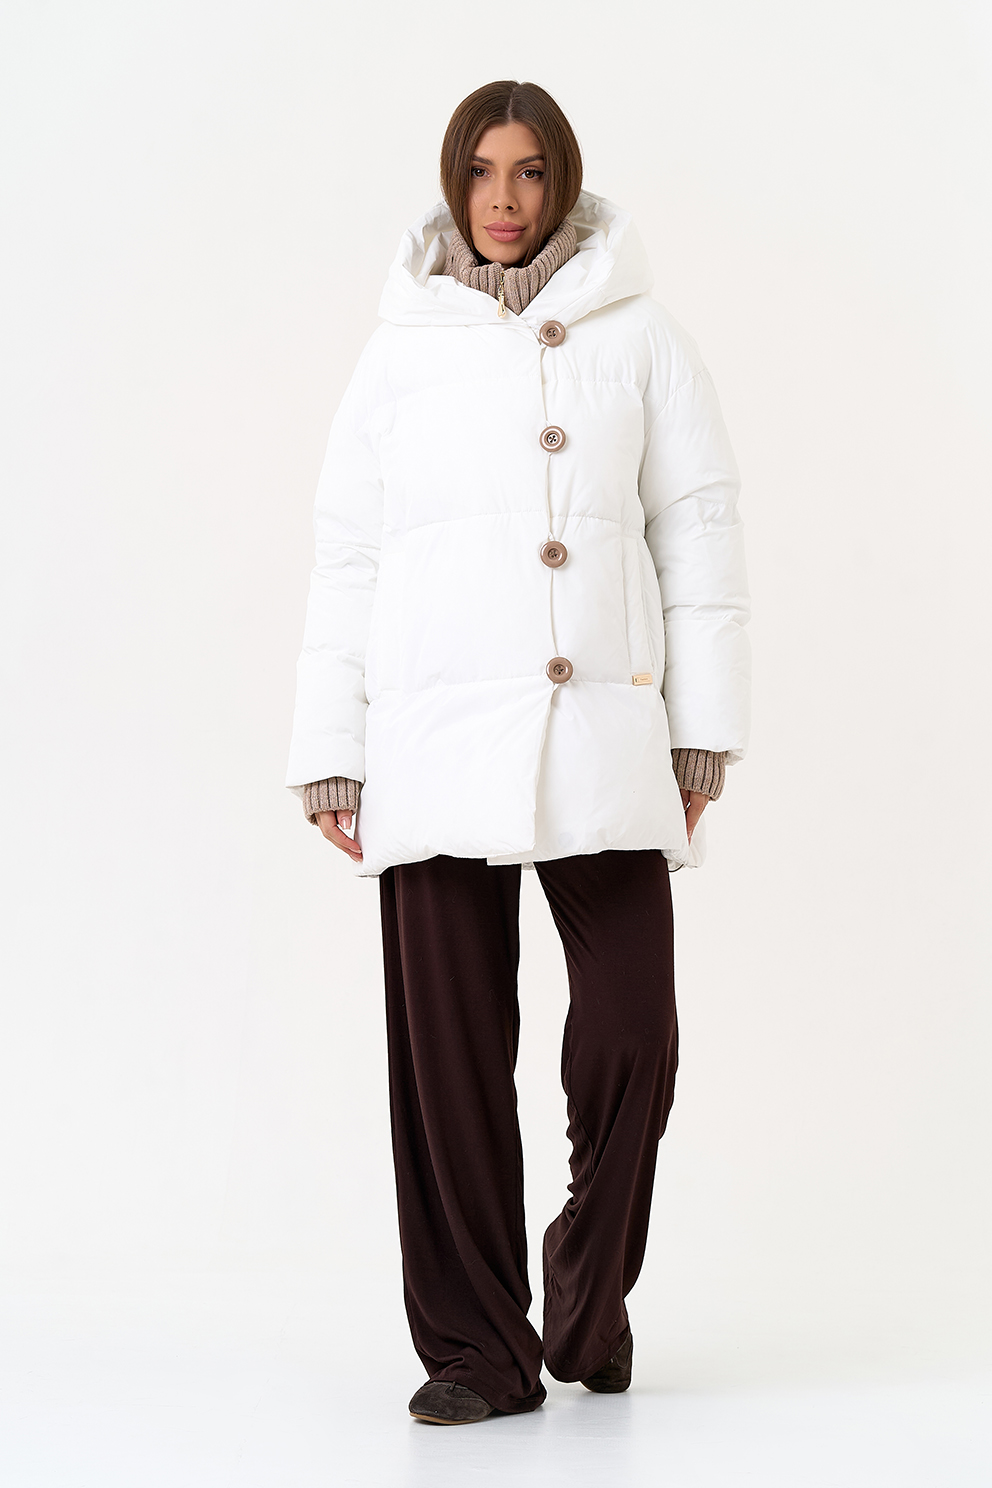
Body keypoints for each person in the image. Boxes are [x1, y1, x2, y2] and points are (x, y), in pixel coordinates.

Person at [286, 79, 750, 1425]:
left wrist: (702, 739)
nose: (504, 198)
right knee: (446, 1066)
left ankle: (588, 1298)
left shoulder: (643, 337)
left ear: (564, 182)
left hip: (600, 727)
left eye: (531, 171)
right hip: (429, 735)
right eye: (482, 171)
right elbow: (350, 557)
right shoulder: (398, 351)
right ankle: (478, 1352)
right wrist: (332, 749)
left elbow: (700, 538)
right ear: (454, 183)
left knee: (633, 1034)